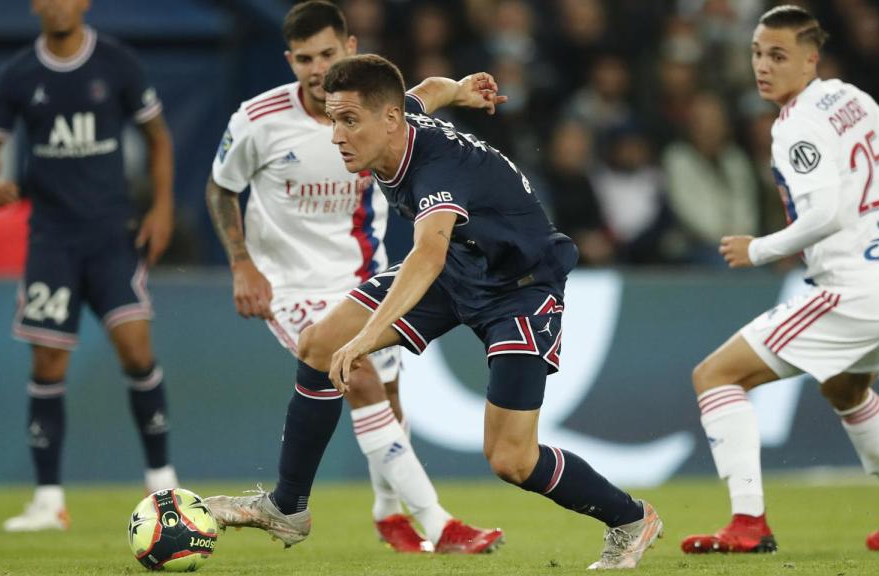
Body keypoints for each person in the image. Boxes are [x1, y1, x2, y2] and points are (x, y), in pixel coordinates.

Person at [206, 54, 664, 570]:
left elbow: (428, 254)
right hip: (461, 269)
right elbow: (430, 89)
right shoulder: (397, 119)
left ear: (389, 120)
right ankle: (288, 508)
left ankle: (630, 518)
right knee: (317, 344)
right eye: (334, 118)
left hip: (519, 286)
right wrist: (464, 88)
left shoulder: (436, 167)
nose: (337, 135)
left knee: (512, 459)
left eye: (349, 120)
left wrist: (364, 341)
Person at [204, 1, 502, 554]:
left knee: (386, 394)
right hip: (290, 286)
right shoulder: (258, 119)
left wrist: (460, 89)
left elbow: (426, 92)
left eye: (327, 54)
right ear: (288, 59)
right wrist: (242, 263)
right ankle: (439, 524)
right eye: (303, 59)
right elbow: (221, 187)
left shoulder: (375, 108)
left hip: (359, 276)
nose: (316, 69)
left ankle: (389, 514)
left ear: (351, 47)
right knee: (356, 373)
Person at [681, 5, 879, 554]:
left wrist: (759, 249)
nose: (763, 66)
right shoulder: (849, 97)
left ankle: (748, 522)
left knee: (715, 376)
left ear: (810, 59)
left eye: (777, 55)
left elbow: (824, 214)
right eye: (756, 53)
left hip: (855, 289)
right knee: (846, 388)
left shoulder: (795, 124)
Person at [0, 0, 178, 531]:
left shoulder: (116, 63)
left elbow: (158, 138)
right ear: (35, 4)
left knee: (136, 347)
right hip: (52, 241)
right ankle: (48, 499)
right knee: (47, 365)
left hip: (111, 236)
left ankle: (162, 480)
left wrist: (160, 207)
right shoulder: (19, 75)